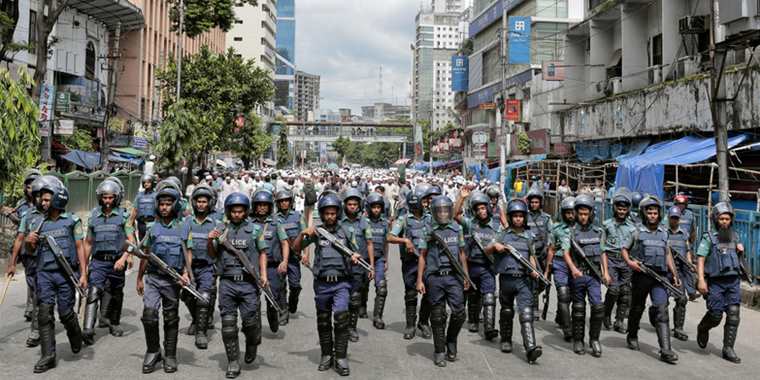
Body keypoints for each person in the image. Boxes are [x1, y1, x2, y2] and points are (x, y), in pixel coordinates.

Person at [293, 193, 361, 376]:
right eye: (326, 213)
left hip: (342, 283)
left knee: (341, 316)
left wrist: (355, 257)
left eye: (333, 213)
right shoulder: (317, 232)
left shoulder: (346, 231)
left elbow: (357, 252)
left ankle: (340, 357)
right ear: (321, 214)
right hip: (322, 284)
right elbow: (296, 248)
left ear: (337, 213)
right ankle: (326, 355)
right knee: (323, 321)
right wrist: (302, 234)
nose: (330, 216)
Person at [22, 180, 87, 373]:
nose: (43, 203)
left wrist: (84, 274)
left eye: (47, 200)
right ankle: (48, 355)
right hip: (44, 275)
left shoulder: (72, 221)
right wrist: (29, 242)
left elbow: (80, 248)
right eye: (42, 200)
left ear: (58, 199)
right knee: (44, 314)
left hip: (66, 275)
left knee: (66, 313)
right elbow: (30, 250)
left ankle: (76, 335)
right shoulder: (37, 222)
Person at [207, 192, 268, 378]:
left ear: (246, 212)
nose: (236, 215)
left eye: (240, 211)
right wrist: (210, 239)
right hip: (227, 283)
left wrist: (263, 274)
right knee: (228, 325)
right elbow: (212, 254)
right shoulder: (220, 229)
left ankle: (251, 344)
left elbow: (263, 252)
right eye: (233, 211)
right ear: (228, 211)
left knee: (250, 324)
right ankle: (233, 362)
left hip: (249, 284)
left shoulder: (255, 230)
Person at [136, 182, 193, 373]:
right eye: (161, 204)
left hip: (172, 281)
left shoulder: (184, 227)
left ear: (175, 205)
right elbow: (145, 254)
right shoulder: (152, 228)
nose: (164, 207)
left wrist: (186, 273)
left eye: (168, 203)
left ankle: (170, 355)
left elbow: (188, 253)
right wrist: (139, 278)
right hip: (153, 278)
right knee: (149, 315)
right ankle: (153, 351)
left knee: (171, 318)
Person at [622, 195, 680, 364]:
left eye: (655, 213)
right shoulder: (637, 232)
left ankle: (666, 350)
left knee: (662, 310)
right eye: (650, 213)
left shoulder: (664, 233)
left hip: (660, 277)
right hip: (641, 276)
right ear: (644, 213)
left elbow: (667, 253)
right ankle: (632, 335)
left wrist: (674, 274)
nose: (653, 215)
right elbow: (624, 250)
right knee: (637, 308)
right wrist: (630, 263)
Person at [485, 199, 542, 363]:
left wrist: (533, 270)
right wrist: (496, 246)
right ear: (510, 217)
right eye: (515, 216)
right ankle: (506, 340)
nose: (518, 219)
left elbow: (531, 256)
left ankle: (530, 347)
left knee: (526, 313)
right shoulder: (503, 234)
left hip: (523, 280)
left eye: (521, 216)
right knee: (507, 311)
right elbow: (487, 249)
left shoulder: (529, 235)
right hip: (506, 280)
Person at [416, 195, 469, 367]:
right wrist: (419, 280)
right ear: (434, 212)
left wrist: (466, 276)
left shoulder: (457, 229)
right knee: (438, 316)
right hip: (434, 277)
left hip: (454, 277)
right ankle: (439, 350)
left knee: (460, 313)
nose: (443, 213)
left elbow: (462, 253)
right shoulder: (428, 230)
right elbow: (422, 256)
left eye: (446, 210)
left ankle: (451, 340)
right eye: (439, 210)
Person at [81, 180, 133, 346]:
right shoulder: (94, 217)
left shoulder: (123, 217)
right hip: (98, 262)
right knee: (93, 292)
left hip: (117, 261)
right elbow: (88, 242)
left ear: (116, 198)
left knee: (116, 293)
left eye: (111, 198)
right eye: (105, 198)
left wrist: (124, 258)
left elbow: (131, 241)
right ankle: (88, 328)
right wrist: (84, 265)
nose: (108, 201)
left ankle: (114, 323)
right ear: (100, 198)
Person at [695, 202, 744, 363]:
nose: (724, 221)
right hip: (715, 283)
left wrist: (740, 250)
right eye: (722, 218)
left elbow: (735, 259)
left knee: (734, 315)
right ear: (716, 219)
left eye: (727, 219)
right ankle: (703, 328)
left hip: (733, 281)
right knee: (716, 316)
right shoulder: (708, 237)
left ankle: (728, 349)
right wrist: (701, 280)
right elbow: (701, 258)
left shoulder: (734, 236)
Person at [564, 194, 607, 357]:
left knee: (597, 307)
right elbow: (566, 253)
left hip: (594, 276)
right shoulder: (571, 232)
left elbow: (603, 253)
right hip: (578, 275)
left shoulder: (598, 231)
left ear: (591, 214)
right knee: (578, 309)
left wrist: (606, 272)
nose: (583, 217)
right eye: (580, 213)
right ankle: (578, 340)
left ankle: (594, 339)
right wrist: (573, 269)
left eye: (586, 214)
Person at [453, 189, 498, 340]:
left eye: (483, 207)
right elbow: (456, 215)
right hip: (472, 265)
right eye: (478, 209)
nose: (481, 211)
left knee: (489, 296)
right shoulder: (470, 223)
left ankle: (489, 327)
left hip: (488, 266)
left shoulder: (496, 226)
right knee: (473, 295)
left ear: (488, 208)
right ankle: (472, 321)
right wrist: (461, 198)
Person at [4, 169, 42, 346]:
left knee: (42, 292)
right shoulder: (23, 207)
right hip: (28, 253)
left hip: (45, 255)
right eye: (28, 187)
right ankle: (35, 319)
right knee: (33, 287)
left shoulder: (49, 207)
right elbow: (21, 229)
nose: (30, 190)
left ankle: (40, 321)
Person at [180, 185, 221, 349]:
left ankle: (201, 333)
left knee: (204, 297)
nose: (201, 205)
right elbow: (182, 246)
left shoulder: (216, 223)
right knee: (187, 296)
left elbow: (220, 248)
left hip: (208, 267)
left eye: (204, 202)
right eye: (198, 201)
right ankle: (197, 320)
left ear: (209, 203)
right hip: (189, 267)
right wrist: (184, 270)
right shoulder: (187, 222)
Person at [387, 190, 431, 340]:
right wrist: (405, 241)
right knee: (411, 294)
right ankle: (410, 325)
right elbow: (390, 236)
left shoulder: (430, 218)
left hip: (428, 261)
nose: (422, 205)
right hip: (410, 262)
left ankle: (423, 322)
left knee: (430, 294)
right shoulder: (403, 219)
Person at [250, 190, 290, 333]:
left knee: (272, 296)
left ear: (269, 207)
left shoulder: (275, 223)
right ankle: (255, 327)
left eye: (264, 205)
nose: (261, 208)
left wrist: (284, 261)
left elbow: (285, 243)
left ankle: (273, 315)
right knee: (252, 300)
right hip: (254, 267)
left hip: (273, 266)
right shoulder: (248, 223)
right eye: (259, 205)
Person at [340, 188, 374, 342]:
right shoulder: (338, 221)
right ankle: (341, 325)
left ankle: (352, 328)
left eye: (355, 204)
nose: (352, 206)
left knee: (355, 299)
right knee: (342, 298)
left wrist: (371, 265)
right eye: (349, 204)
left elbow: (369, 243)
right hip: (342, 266)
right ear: (345, 205)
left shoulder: (364, 222)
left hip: (359, 266)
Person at [601, 191, 636, 333]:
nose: (621, 211)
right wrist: (604, 271)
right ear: (614, 208)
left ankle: (620, 321)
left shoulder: (632, 228)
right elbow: (602, 248)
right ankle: (606, 314)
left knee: (626, 292)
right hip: (611, 259)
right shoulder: (607, 225)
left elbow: (634, 247)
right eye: (619, 209)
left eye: (624, 209)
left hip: (626, 261)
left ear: (628, 210)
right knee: (613, 290)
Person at [544, 197, 576, 341]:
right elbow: (551, 249)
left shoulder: (581, 229)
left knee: (572, 295)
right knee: (563, 294)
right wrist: (547, 270)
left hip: (575, 264)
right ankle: (568, 329)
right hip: (559, 263)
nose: (571, 215)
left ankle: (560, 315)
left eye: (573, 212)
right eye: (568, 212)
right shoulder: (557, 229)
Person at [274, 189, 307, 324]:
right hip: (279, 257)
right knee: (280, 286)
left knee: (295, 285)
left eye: (286, 200)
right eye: (281, 201)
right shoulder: (274, 218)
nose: (284, 203)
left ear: (291, 202)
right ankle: (283, 311)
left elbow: (305, 235)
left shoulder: (298, 216)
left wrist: (305, 254)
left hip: (294, 257)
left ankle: (293, 302)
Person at [666, 206, 697, 342]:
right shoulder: (663, 233)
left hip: (679, 271)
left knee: (681, 299)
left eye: (677, 218)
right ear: (669, 218)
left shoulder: (684, 234)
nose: (675, 220)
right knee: (661, 301)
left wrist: (690, 263)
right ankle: (657, 317)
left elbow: (688, 250)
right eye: (672, 218)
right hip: (665, 271)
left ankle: (678, 328)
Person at [525, 186, 552, 320]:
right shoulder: (524, 216)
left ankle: (530, 297)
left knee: (544, 282)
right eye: (532, 202)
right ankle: (534, 308)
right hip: (531, 254)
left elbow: (551, 234)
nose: (534, 204)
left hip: (543, 254)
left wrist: (548, 247)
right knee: (534, 280)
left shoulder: (546, 218)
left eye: (536, 202)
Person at [365, 193, 390, 329]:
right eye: (373, 207)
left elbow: (386, 242)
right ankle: (362, 306)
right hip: (364, 259)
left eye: (378, 207)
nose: (376, 210)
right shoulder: (363, 222)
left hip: (379, 258)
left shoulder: (385, 223)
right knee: (361, 287)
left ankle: (378, 317)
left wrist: (386, 260)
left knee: (382, 287)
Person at [131, 174, 157, 241]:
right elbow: (135, 209)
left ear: (152, 183)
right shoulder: (139, 195)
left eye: (148, 182)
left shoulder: (156, 195)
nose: (146, 184)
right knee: (141, 242)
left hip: (152, 223)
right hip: (141, 223)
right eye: (144, 182)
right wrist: (131, 222)